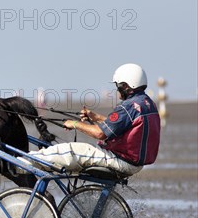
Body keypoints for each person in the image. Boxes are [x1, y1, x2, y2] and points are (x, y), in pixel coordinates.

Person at [22, 63, 161, 176]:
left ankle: (22, 163)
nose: (117, 89)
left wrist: (75, 124)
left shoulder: (129, 106)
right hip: (133, 163)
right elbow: (119, 126)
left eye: (118, 85)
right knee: (72, 152)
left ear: (127, 85)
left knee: (70, 151)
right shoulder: (147, 103)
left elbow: (100, 133)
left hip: (120, 160)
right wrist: (96, 117)